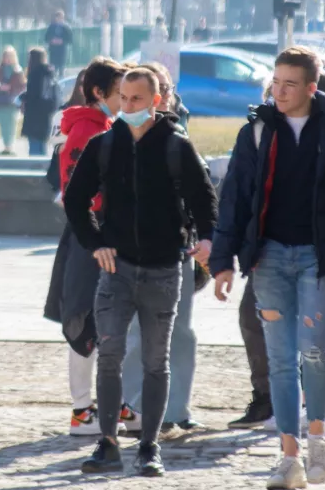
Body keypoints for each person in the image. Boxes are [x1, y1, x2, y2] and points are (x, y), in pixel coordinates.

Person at [211, 47, 325, 489]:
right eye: (275, 82)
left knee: (313, 347)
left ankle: (318, 439)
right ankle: (288, 455)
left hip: (319, 255)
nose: (279, 91)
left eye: (289, 84)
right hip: (269, 257)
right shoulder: (256, 130)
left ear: (311, 88)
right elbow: (234, 199)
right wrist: (222, 261)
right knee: (279, 359)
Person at [64, 68, 217, 477]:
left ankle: (149, 445)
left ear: (154, 102)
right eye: (124, 98)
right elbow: (75, 200)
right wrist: (96, 244)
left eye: (137, 99)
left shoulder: (175, 147)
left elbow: (204, 200)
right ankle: (108, 442)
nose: (128, 106)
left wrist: (207, 240)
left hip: (164, 270)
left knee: (155, 360)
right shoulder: (104, 145)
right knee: (110, 356)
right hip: (117, 269)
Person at [118, 62, 206, 436]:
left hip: (177, 249)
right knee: (138, 332)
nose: (166, 96)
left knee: (180, 331)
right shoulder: (120, 136)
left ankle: (176, 408)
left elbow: (201, 194)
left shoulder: (178, 135)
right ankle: (133, 407)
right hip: (133, 251)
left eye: (167, 90)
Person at [44, 58, 124, 436]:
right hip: (91, 237)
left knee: (103, 319)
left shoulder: (95, 124)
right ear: (99, 92)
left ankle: (105, 405)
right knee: (84, 320)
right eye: (119, 91)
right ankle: (82, 411)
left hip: (93, 234)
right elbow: (78, 188)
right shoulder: (89, 129)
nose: (124, 99)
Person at [22, 47, 59, 156]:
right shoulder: (50, 73)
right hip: (46, 115)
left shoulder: (35, 74)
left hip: (34, 116)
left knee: (34, 148)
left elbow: (33, 95)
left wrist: (24, 99)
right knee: (42, 147)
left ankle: (35, 170)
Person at [0, 46, 27, 156]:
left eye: (9, 56)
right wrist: (0, 87)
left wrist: (10, 88)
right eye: (5, 56)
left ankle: (10, 146)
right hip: (0, 101)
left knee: (11, 124)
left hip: (12, 102)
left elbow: (22, 86)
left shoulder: (18, 70)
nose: (7, 59)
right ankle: (6, 145)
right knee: (3, 124)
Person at [45, 10, 74, 78]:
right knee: (53, 66)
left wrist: (62, 41)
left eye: (60, 17)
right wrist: (52, 40)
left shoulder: (66, 28)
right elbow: (46, 38)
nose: (59, 19)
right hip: (53, 50)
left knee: (61, 66)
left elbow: (70, 39)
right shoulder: (51, 27)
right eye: (57, 17)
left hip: (62, 50)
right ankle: (52, 78)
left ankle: (61, 78)